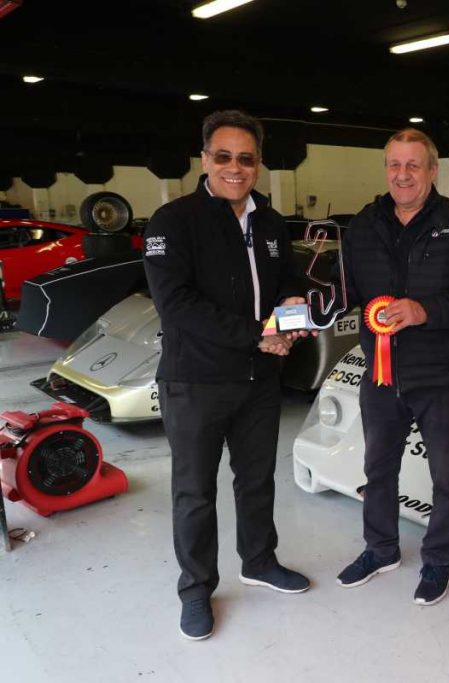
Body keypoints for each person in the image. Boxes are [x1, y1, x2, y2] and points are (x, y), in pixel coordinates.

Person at [143, 110, 311, 641]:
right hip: (195, 381)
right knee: (195, 492)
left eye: (246, 158)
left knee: (257, 480)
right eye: (223, 156)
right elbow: (176, 304)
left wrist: (294, 308)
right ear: (204, 159)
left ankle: (259, 561)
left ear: (258, 164)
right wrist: (257, 334)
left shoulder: (271, 222)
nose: (234, 168)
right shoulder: (173, 221)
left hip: (259, 379)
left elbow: (287, 279)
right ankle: (196, 589)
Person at [335, 129, 449, 606]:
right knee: (377, 468)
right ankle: (380, 549)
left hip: (443, 375)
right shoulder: (363, 226)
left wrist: (425, 310)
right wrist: (299, 309)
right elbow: (344, 290)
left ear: (432, 169)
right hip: (381, 374)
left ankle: (439, 559)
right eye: (394, 164)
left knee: (446, 476)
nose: (402, 175)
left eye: (413, 165)